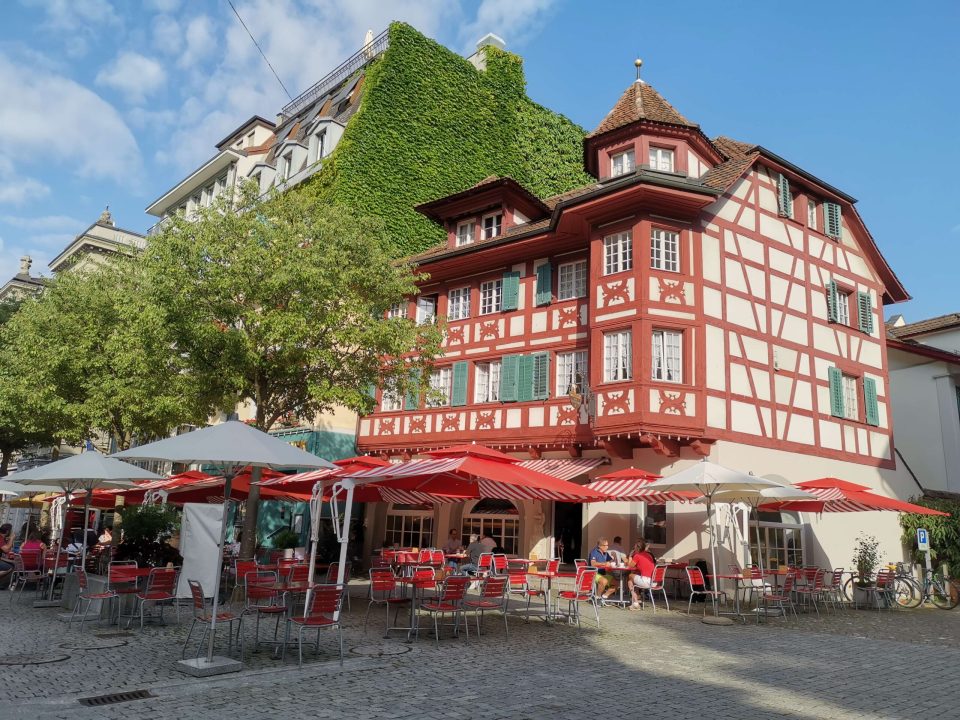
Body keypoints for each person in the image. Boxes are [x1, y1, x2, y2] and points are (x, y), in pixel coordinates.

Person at [626, 539, 657, 610]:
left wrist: (630, 556)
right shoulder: (648, 555)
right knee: (632, 581)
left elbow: (630, 566)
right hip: (654, 582)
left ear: (637, 548)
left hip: (646, 581)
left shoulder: (637, 555)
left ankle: (636, 602)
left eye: (634, 548)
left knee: (630, 576)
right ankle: (636, 601)